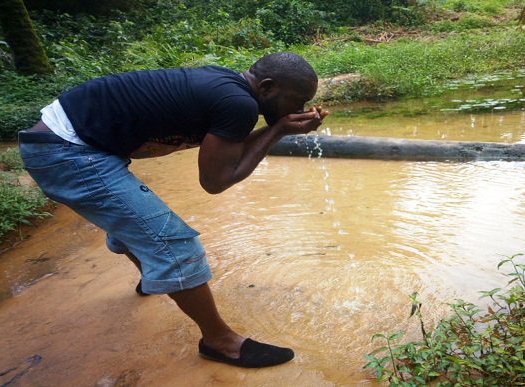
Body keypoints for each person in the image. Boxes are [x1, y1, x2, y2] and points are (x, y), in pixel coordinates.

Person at [18, 52, 328, 368]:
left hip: (67, 142)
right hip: (68, 152)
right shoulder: (240, 105)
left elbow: (227, 149)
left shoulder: (227, 88)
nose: (301, 109)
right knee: (174, 245)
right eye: (297, 100)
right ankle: (220, 343)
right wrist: (277, 132)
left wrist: (279, 127)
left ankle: (152, 275)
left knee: (139, 221)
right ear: (267, 87)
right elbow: (217, 180)